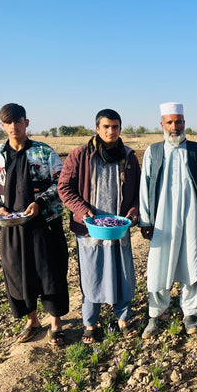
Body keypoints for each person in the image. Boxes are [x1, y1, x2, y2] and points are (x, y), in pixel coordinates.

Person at [0, 103, 69, 345]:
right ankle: (32, 320)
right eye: (8, 122)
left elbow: (60, 183)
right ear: (2, 125)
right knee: (19, 273)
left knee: (51, 271)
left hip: (45, 223)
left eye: (17, 121)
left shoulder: (43, 152)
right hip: (12, 227)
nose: (13, 126)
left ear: (26, 123)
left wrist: (40, 202)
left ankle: (56, 323)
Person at [58, 109, 140, 344]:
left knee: (123, 275)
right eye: (106, 127)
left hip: (118, 228)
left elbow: (138, 193)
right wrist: (84, 212)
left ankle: (123, 318)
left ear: (120, 129)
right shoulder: (80, 155)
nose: (111, 131)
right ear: (97, 128)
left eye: (115, 127)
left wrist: (132, 213)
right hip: (90, 230)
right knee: (91, 275)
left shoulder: (129, 157)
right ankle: (90, 323)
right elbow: (64, 188)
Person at [139, 102, 197, 338]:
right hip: (161, 222)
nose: (175, 127)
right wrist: (145, 220)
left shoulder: (196, 151)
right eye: (170, 122)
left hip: (190, 218)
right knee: (158, 266)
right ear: (162, 124)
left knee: (191, 264)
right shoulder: (153, 152)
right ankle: (157, 314)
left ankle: (191, 313)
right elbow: (145, 188)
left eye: (179, 122)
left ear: (184, 123)